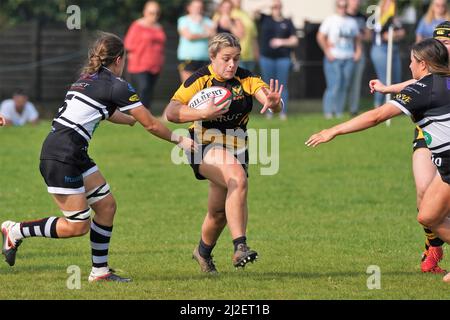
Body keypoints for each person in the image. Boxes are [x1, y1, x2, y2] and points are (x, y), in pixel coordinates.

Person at [1, 32, 195, 282]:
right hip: (61, 156)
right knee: (77, 226)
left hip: (72, 152)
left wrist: (128, 120)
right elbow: (152, 125)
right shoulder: (117, 85)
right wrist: (180, 139)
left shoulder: (87, 79)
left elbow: (103, 110)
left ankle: (100, 272)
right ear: (119, 59)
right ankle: (15, 230)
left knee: (106, 206)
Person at [306, 38, 450, 282]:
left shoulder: (423, 89)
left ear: (423, 65)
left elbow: (377, 116)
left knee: (430, 216)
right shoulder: (442, 81)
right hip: (445, 164)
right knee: (427, 215)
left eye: (412, 61)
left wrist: (334, 130)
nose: (409, 66)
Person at [165, 33, 283, 274]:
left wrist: (274, 103)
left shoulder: (246, 78)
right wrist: (202, 113)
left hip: (237, 146)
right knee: (237, 179)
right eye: (226, 59)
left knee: (218, 212)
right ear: (212, 57)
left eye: (236, 59)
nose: (232, 64)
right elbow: (171, 112)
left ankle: (203, 252)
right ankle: (240, 246)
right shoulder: (199, 80)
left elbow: (266, 99)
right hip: (203, 145)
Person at [369, 21, 450, 274]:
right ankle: (433, 246)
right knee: (424, 191)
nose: (442, 46)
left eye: (446, 42)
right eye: (439, 42)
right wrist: (387, 89)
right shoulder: (432, 70)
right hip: (427, 133)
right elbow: (420, 84)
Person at [317, 0, 361, 119]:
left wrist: (358, 52)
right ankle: (328, 112)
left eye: (344, 6)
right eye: (340, 6)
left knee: (344, 85)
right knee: (334, 85)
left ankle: (339, 112)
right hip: (334, 58)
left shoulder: (352, 21)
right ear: (336, 7)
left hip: (348, 58)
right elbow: (320, 36)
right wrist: (327, 51)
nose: (342, 8)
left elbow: (357, 38)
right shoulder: (330, 20)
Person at [257, 0, 298, 120]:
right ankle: (270, 111)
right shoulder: (265, 19)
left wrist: (281, 42)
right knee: (267, 86)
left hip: (283, 58)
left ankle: (282, 111)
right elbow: (253, 11)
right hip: (266, 58)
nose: (276, 8)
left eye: (278, 6)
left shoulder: (287, 22)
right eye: (274, 6)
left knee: (282, 86)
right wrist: (267, 3)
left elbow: (295, 40)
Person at [124, 1, 166, 109]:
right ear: (145, 12)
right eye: (152, 13)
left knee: (149, 91)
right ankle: (139, 114)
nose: (154, 16)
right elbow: (128, 44)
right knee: (143, 88)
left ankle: (146, 114)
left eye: (157, 13)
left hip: (155, 65)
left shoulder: (159, 27)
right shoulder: (137, 26)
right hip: (139, 65)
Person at [370, 0, 405, 107]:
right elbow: (383, 35)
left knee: (396, 80)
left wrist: (394, 34)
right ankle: (378, 106)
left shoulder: (396, 19)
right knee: (383, 80)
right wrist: (394, 34)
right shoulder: (378, 18)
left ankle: (395, 106)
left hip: (393, 49)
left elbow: (402, 33)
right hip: (381, 49)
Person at [177, 0, 215, 83]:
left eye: (200, 7)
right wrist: (205, 35)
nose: (198, 9)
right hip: (188, 58)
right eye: (195, 7)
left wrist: (201, 23)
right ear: (189, 8)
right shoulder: (183, 20)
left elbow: (214, 37)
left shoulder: (208, 21)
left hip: (204, 59)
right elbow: (189, 36)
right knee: (188, 85)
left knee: (203, 87)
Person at [346, 0, 371, 117]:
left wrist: (359, 36)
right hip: (343, 54)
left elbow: (369, 36)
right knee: (341, 84)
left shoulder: (363, 17)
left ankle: (353, 109)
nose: (356, 2)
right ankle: (336, 110)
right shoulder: (342, 14)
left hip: (359, 54)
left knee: (356, 83)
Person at [230, 0, 259, 72]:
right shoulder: (228, 12)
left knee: (248, 81)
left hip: (249, 55)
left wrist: (256, 52)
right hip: (236, 55)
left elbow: (253, 35)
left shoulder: (246, 14)